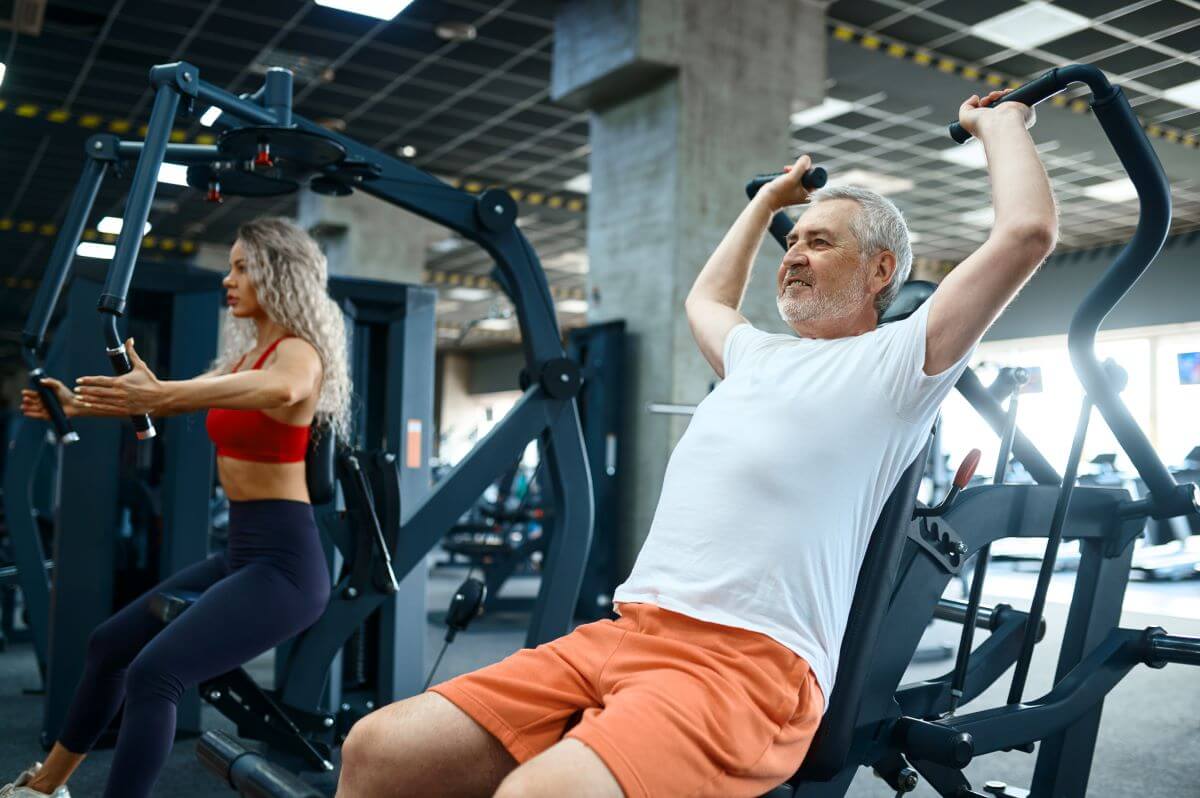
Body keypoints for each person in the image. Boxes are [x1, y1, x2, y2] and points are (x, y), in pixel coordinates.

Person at [333, 88, 1056, 798]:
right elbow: (705, 301)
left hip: (748, 664)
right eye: (793, 242)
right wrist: (766, 204)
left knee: (540, 793)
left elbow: (1025, 234)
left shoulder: (902, 364)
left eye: (820, 240)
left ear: (880, 272)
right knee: (379, 749)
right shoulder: (757, 355)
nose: (794, 255)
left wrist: (1000, 125)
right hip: (624, 633)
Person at [3, 218, 351, 798]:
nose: (228, 279)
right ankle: (44, 788)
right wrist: (82, 406)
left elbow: (283, 391)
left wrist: (165, 392)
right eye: (231, 265)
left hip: (285, 566)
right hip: (242, 552)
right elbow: (170, 398)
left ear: (278, 274)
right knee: (110, 645)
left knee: (155, 674)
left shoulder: (297, 354)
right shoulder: (247, 358)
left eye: (243, 267)